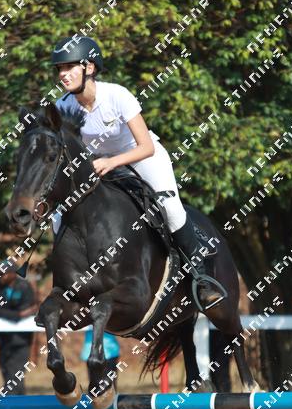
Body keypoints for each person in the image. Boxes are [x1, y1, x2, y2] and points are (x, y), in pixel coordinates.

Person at [51, 35, 225, 310]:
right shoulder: (63, 107)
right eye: (60, 69)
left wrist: (111, 162)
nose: (63, 74)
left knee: (171, 209)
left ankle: (202, 279)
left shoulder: (117, 96)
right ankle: (67, 282)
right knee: (59, 215)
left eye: (69, 67)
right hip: (100, 164)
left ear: (89, 67)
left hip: (142, 157)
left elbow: (146, 146)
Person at [0, 261, 37, 394]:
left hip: (21, 340)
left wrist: (11, 314)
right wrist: (18, 314)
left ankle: (17, 404)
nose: (1, 276)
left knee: (16, 376)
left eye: (3, 274)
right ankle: (13, 404)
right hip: (3, 339)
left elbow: (29, 308)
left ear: (12, 274)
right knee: (6, 372)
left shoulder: (24, 287)